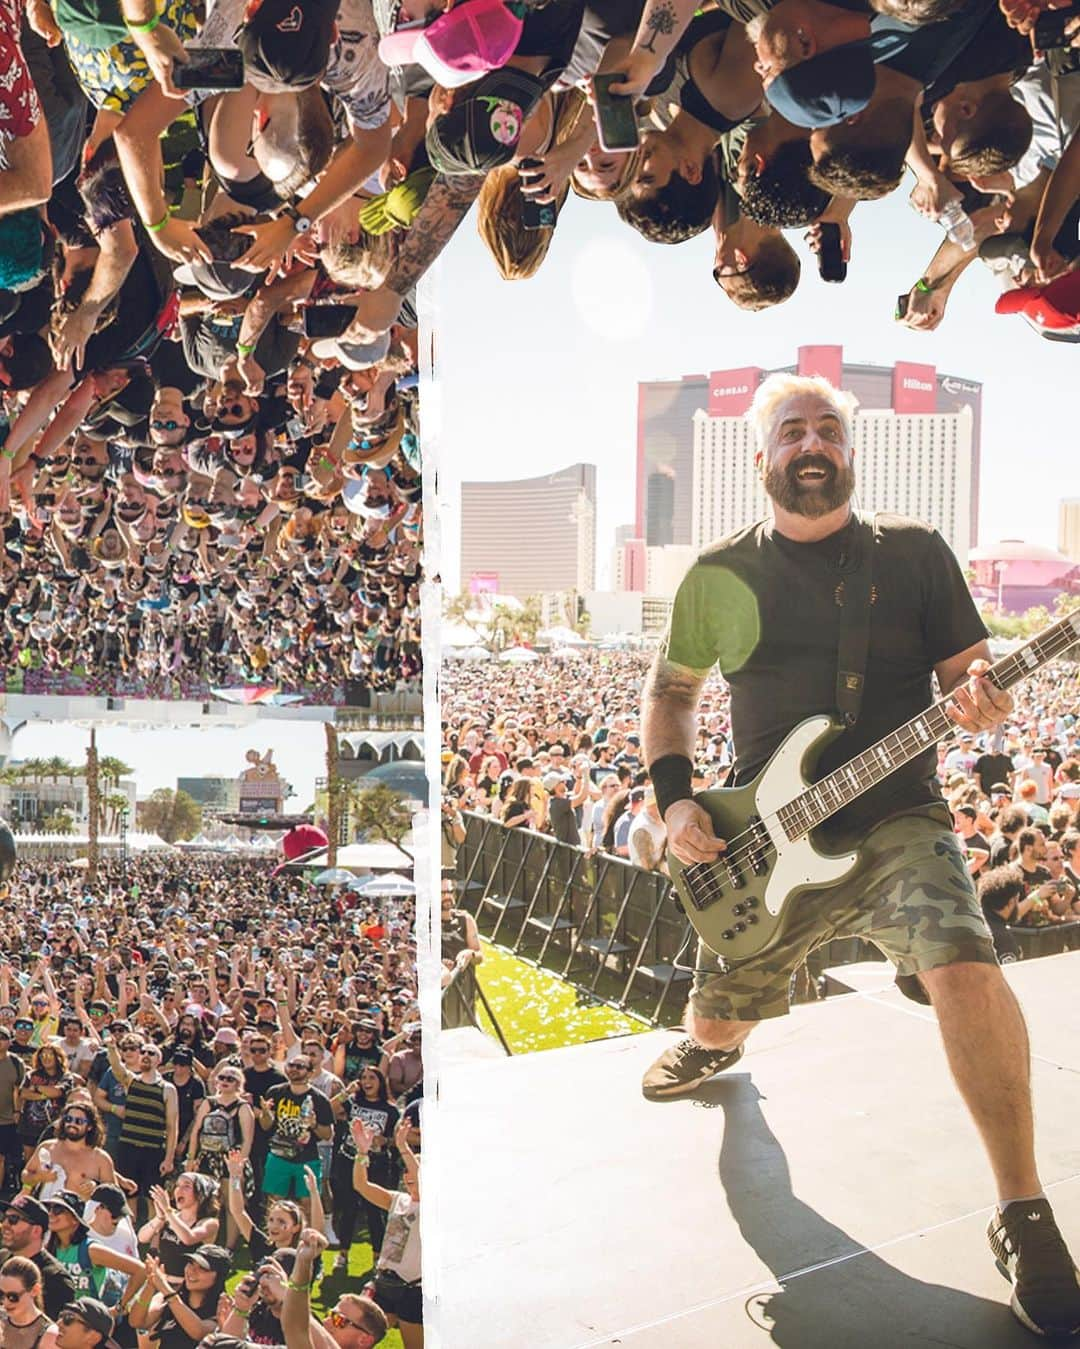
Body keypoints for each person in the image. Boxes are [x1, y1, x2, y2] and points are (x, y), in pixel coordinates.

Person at [638, 370, 1079, 1337]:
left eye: (828, 429)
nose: (812, 442)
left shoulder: (913, 553)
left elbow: (970, 672)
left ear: (848, 450)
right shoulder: (718, 573)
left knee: (965, 963)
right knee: (716, 1026)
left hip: (896, 821)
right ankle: (717, 1040)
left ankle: (1024, 1212)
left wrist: (984, 693)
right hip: (758, 848)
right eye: (792, 429)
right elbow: (669, 697)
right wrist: (675, 805)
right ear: (762, 459)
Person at [351, 1119, 420, 1349]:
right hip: (383, 1282)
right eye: (406, 1175)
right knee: (353, 1331)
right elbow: (361, 1185)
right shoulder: (398, 1200)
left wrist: (403, 1146)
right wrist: (362, 1153)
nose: (409, 1179)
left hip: (413, 1288)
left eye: (414, 1174)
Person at [0, 1197, 77, 1320]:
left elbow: (55, 1330)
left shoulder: (56, 1278)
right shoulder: (2, 1257)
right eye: (4, 1218)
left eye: (13, 1220)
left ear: (36, 1231)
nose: (5, 1224)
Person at [0, 1255, 58, 1349]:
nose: (5, 1302)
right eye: (1, 1294)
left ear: (35, 1290)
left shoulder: (49, 1336)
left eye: (13, 1297)